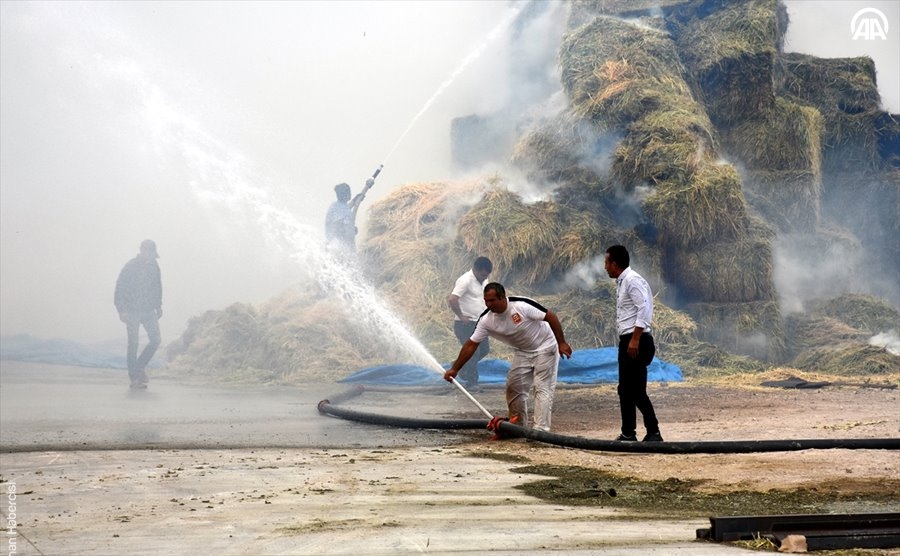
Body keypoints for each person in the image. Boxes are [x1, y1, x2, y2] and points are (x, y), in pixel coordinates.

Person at [443, 282, 572, 433]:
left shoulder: (521, 306)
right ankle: (517, 426)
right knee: (514, 387)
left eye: (492, 300)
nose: (489, 304)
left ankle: (540, 431)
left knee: (542, 388)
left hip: (545, 347)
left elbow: (550, 316)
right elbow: (471, 344)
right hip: (523, 351)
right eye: (486, 301)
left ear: (503, 298)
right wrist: (455, 369)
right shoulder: (486, 320)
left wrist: (561, 342)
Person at [604, 245, 663, 442]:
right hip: (628, 340)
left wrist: (635, 339)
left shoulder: (632, 280)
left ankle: (653, 431)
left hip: (637, 340)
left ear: (615, 264)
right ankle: (628, 433)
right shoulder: (621, 282)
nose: (605, 268)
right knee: (625, 389)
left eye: (607, 263)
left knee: (636, 390)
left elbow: (644, 309)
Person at [114, 239, 163, 389]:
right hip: (132, 311)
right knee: (133, 343)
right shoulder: (130, 267)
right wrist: (121, 310)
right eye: (149, 253)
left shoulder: (154, 266)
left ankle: (139, 366)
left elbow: (157, 286)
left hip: (148, 310)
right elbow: (119, 289)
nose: (151, 256)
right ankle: (134, 378)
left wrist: (158, 305)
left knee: (155, 340)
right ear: (142, 251)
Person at [447, 256, 493, 389]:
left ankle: (458, 365)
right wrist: (461, 316)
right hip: (465, 325)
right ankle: (472, 383)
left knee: (484, 349)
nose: (485, 277)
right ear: (476, 270)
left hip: (479, 323)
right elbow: (452, 299)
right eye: (483, 275)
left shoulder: (484, 281)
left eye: (487, 275)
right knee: (473, 352)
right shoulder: (465, 280)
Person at [325, 177, 375, 256]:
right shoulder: (340, 210)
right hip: (339, 250)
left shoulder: (336, 206)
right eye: (348, 191)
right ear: (344, 194)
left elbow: (345, 210)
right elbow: (342, 221)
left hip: (336, 247)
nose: (350, 193)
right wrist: (351, 229)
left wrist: (366, 187)